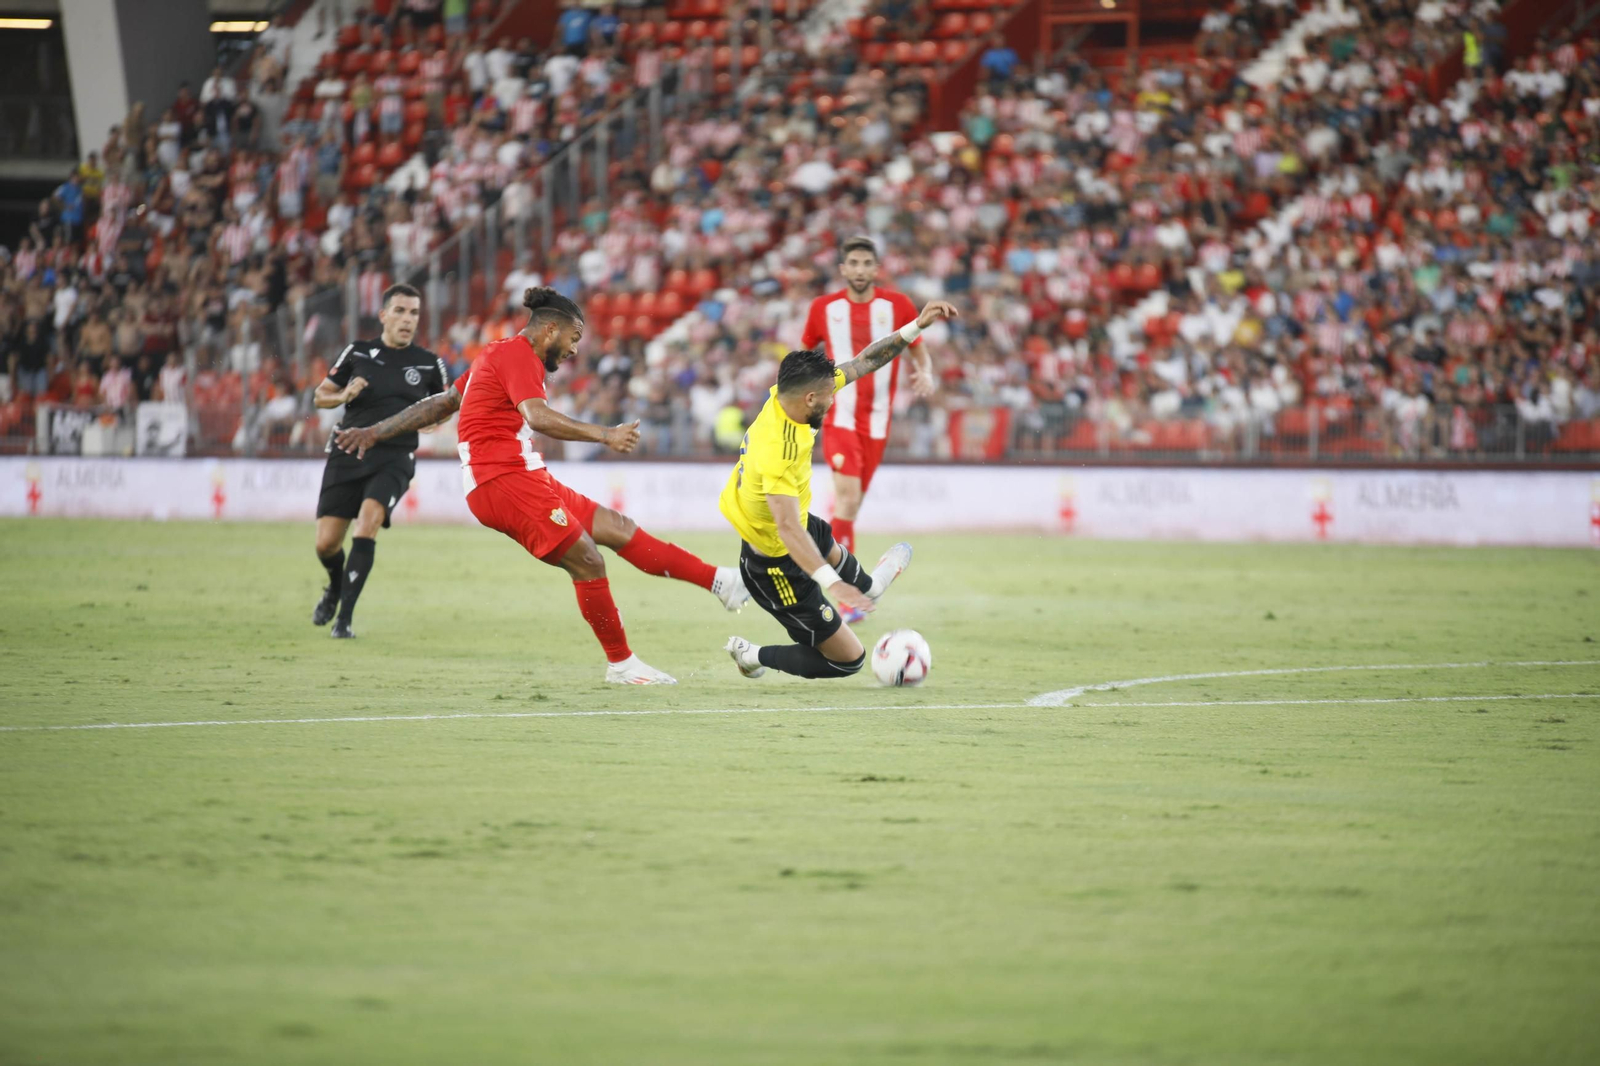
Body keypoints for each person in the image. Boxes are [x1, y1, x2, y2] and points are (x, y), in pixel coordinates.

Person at [332, 288, 751, 685]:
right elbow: (538, 417)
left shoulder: (497, 354)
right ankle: (622, 664)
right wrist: (605, 435)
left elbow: (441, 403)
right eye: (573, 338)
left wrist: (374, 432)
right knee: (588, 561)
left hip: (524, 472)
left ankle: (721, 583)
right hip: (500, 479)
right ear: (550, 329)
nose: (573, 349)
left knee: (616, 526)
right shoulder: (519, 355)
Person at [723, 299, 958, 682]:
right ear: (811, 399)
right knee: (847, 661)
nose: (834, 400)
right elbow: (786, 529)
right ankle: (753, 655)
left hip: (797, 524)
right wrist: (834, 586)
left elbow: (865, 361)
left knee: (827, 540)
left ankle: (869, 585)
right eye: (830, 397)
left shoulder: (787, 395)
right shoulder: (778, 451)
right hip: (776, 563)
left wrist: (915, 326)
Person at [799, 236, 935, 617]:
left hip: (877, 423)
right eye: (853, 263)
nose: (859, 270)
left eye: (866, 263)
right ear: (843, 269)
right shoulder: (823, 308)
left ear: (876, 269)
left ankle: (820, 546)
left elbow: (916, 342)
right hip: (839, 416)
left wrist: (925, 371)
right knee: (847, 499)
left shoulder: (898, 306)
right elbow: (806, 353)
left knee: (850, 506)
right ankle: (846, 598)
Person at [310, 283, 450, 638]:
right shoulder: (358, 352)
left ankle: (344, 620)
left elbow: (445, 405)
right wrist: (344, 394)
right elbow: (320, 396)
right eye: (400, 311)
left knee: (368, 521)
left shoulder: (430, 363)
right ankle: (335, 585)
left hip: (395, 456)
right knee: (326, 544)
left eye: (414, 313)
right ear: (384, 315)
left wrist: (433, 420)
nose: (408, 319)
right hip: (347, 450)